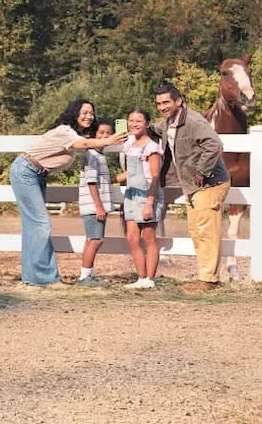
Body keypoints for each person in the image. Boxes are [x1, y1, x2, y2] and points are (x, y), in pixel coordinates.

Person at [11, 99, 126, 286]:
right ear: (75, 114)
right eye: (85, 112)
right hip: (26, 171)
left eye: (91, 113)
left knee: (33, 226)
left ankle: (32, 278)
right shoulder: (66, 131)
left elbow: (87, 142)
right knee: (41, 224)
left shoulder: (72, 133)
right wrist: (109, 140)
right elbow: (83, 145)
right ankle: (46, 279)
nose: (89, 116)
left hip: (36, 174)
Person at [151, 83, 231, 293]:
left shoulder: (194, 121)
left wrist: (202, 171)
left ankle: (209, 280)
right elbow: (153, 129)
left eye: (166, 102)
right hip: (194, 187)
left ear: (178, 101)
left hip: (210, 183)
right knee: (197, 231)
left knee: (206, 232)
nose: (162, 107)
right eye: (159, 103)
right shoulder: (169, 122)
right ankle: (206, 277)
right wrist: (132, 127)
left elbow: (214, 145)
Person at [117, 109, 165, 289]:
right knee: (132, 237)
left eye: (138, 121)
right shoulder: (129, 143)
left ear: (147, 124)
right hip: (131, 194)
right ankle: (141, 277)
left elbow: (154, 176)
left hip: (147, 194)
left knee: (149, 237)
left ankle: (149, 279)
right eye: (131, 120)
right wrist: (113, 179)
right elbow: (130, 172)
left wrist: (149, 203)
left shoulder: (151, 147)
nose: (134, 124)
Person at [76, 120, 115, 286]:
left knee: (91, 239)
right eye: (101, 133)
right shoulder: (92, 154)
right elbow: (91, 182)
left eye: (108, 133)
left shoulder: (98, 155)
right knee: (96, 239)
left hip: (95, 205)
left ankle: (87, 274)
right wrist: (99, 206)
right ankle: (85, 277)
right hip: (94, 205)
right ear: (93, 135)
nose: (105, 136)